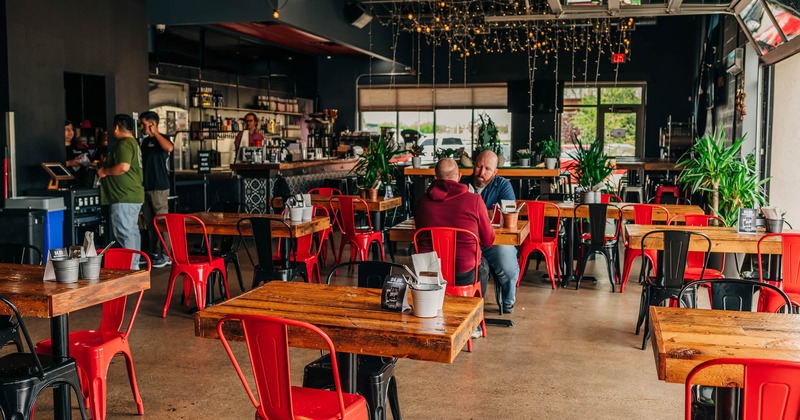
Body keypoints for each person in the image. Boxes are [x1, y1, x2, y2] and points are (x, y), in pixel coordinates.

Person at [461, 150, 520, 314]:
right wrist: (487, 213)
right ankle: (462, 303)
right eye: (479, 167)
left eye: (487, 169)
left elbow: (508, 214)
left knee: (506, 258)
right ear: (474, 165)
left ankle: (508, 299)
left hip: (495, 239)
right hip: (467, 240)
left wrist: (474, 210)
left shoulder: (503, 185)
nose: (481, 173)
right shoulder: (461, 183)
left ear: (495, 172)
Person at [98, 114, 144, 269]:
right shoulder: (133, 143)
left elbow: (123, 167)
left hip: (124, 195)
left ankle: (130, 268)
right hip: (131, 195)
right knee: (132, 232)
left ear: (117, 127)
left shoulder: (124, 143)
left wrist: (105, 171)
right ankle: (135, 266)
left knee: (124, 232)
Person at [139, 111, 173, 268]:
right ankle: (154, 252)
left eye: (144, 124)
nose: (142, 127)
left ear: (152, 124)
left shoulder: (163, 138)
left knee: (162, 221)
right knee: (150, 221)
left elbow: (170, 148)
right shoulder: (145, 143)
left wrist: (156, 133)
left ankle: (166, 254)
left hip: (160, 186)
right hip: (146, 186)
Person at [64, 120, 94, 188]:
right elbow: (51, 165)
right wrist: (69, 163)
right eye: (66, 129)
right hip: (65, 184)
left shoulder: (79, 146)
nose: (70, 132)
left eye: (71, 129)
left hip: (82, 184)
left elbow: (91, 163)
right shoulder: (57, 148)